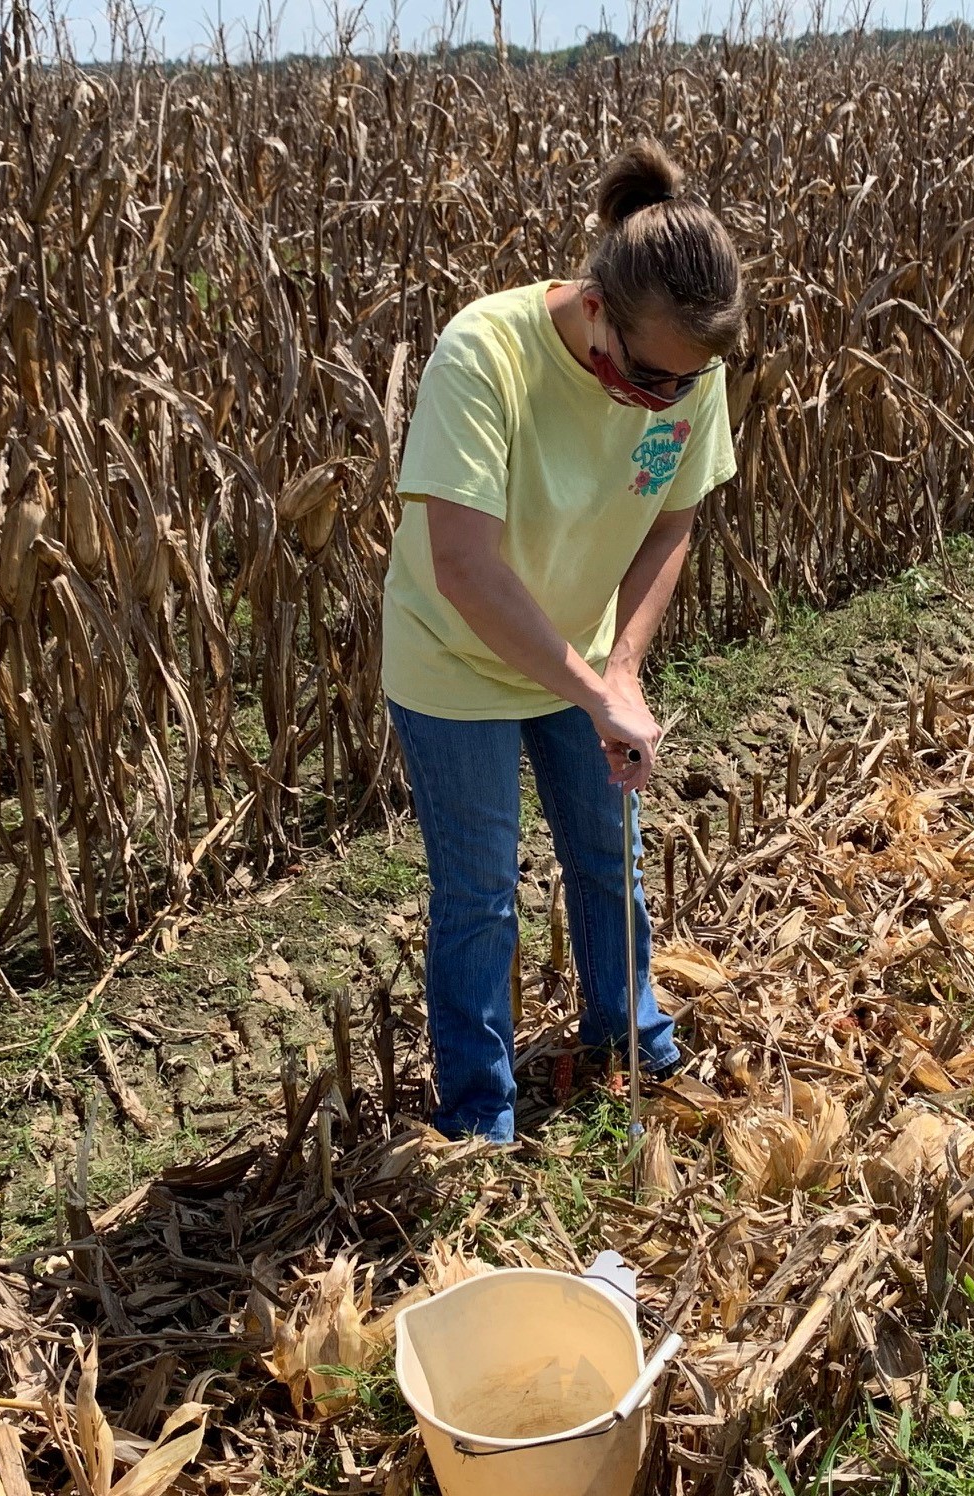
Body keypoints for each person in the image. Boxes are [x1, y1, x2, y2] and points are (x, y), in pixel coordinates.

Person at [381, 140, 744, 1143]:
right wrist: (595, 691)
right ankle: (479, 1115)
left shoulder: (682, 361)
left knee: (604, 849)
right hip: (454, 658)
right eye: (648, 378)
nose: (664, 400)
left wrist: (619, 666)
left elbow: (671, 520)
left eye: (684, 384)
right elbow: (463, 565)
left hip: (581, 653)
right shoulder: (483, 353)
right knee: (479, 892)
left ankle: (630, 1040)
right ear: (592, 308)